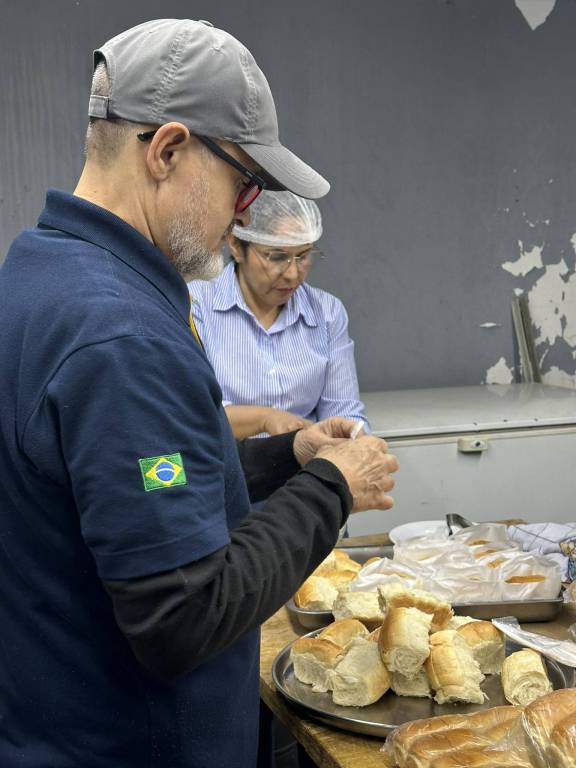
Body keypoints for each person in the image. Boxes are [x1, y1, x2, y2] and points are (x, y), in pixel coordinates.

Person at [0, 18, 399, 768]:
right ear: (167, 150)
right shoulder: (123, 336)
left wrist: (287, 455)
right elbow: (184, 615)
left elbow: (140, 484)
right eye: (244, 184)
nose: (245, 213)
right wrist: (330, 488)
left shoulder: (37, 272)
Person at [189, 191, 369, 439]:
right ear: (236, 246)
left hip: (309, 460)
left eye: (303, 256)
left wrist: (356, 439)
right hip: (229, 461)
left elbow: (343, 410)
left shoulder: (327, 313)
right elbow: (196, 413)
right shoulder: (195, 306)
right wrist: (266, 419)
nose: (293, 274)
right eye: (277, 257)